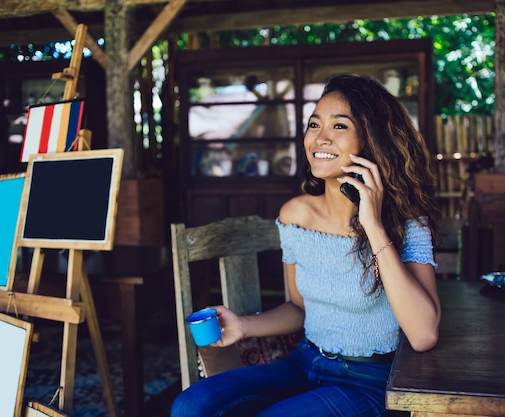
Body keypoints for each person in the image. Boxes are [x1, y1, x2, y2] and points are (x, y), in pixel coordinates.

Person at [171, 73, 442, 417]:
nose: (320, 137)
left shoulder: (407, 224)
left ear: (372, 141)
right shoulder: (296, 215)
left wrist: (372, 224)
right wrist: (242, 326)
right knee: (190, 405)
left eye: (339, 126)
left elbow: (423, 335)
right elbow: (299, 309)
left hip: (371, 380)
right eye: (314, 124)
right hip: (305, 362)